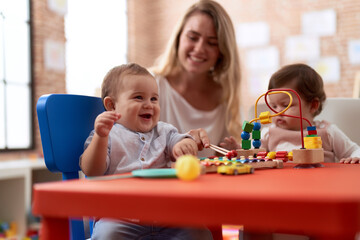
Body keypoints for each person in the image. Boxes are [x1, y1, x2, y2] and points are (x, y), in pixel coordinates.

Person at [80, 63, 212, 240]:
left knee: (200, 233)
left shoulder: (164, 131)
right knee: (107, 235)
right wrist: (100, 137)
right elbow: (91, 170)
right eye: (139, 97)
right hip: (118, 218)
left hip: (167, 216)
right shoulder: (107, 135)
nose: (149, 105)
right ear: (112, 106)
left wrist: (183, 145)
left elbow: (177, 141)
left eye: (154, 99)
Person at [150, 0, 242, 158]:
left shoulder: (225, 97)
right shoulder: (151, 84)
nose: (199, 49)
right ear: (179, 38)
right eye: (193, 37)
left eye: (212, 43)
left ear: (221, 52)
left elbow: (224, 160)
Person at [221, 63, 360, 164]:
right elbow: (252, 153)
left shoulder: (328, 132)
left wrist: (355, 157)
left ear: (313, 105)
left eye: (285, 105)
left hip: (321, 189)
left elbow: (354, 150)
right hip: (281, 189)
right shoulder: (268, 133)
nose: (277, 112)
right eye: (273, 105)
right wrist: (238, 149)